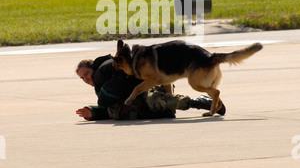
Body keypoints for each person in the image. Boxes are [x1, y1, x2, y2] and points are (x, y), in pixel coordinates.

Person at [75, 54, 226, 121]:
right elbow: (107, 106)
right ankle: (165, 112)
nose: (86, 79)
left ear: (94, 68)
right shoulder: (102, 87)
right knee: (116, 112)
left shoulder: (111, 71)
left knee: (153, 100)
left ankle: (200, 102)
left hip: (151, 87)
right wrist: (92, 112)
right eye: (82, 78)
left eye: (87, 74)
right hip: (138, 98)